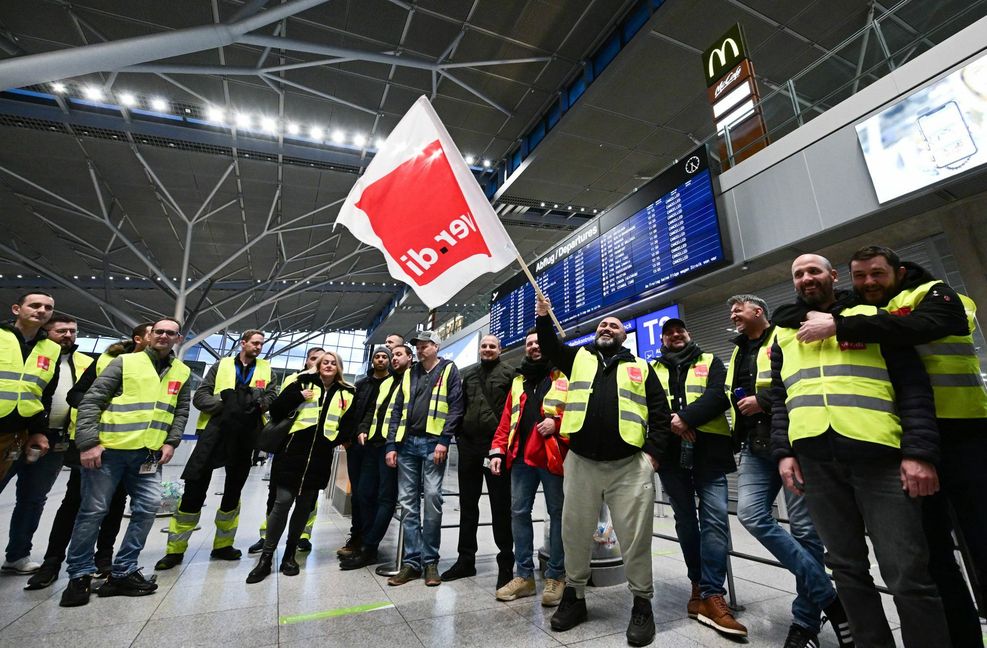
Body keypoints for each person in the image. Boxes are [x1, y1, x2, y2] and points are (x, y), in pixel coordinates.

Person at [796, 245, 987, 647]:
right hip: (912, 439)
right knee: (932, 559)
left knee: (981, 543)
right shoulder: (867, 312)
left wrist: (840, 326)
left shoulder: (932, 293)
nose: (868, 283)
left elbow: (933, 324)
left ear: (898, 271)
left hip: (964, 435)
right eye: (860, 277)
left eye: (877, 274)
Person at [770, 253, 949, 648]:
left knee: (907, 573)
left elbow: (912, 386)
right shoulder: (783, 331)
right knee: (847, 569)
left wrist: (919, 452)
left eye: (814, 270)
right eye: (799, 274)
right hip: (816, 462)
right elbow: (781, 397)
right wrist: (783, 452)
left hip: (880, 457)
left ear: (833, 276)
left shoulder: (871, 317)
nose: (806, 278)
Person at [535, 296, 669, 647]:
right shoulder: (578, 358)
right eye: (601, 325)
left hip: (629, 466)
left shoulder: (642, 367)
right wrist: (543, 316)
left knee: (636, 538)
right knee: (574, 534)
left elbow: (660, 413)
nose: (606, 327)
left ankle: (642, 603)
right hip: (581, 461)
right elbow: (549, 344)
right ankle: (574, 597)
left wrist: (652, 456)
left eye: (614, 325)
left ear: (625, 335)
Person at [726, 296, 851, 648]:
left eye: (739, 309)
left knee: (806, 533)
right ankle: (830, 597)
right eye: (731, 312)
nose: (733, 315)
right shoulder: (737, 351)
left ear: (759, 311)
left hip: (793, 442)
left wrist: (762, 402)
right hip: (755, 446)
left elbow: (796, 381)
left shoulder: (785, 334)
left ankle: (805, 623)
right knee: (750, 514)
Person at [61, 317, 191, 607]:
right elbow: (92, 401)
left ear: (178, 339)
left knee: (147, 509)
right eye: (159, 332)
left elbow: (180, 410)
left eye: (171, 333)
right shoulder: (124, 363)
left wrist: (171, 441)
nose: (164, 337)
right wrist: (88, 443)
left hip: (148, 455)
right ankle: (79, 574)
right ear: (148, 336)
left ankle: (123, 570)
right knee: (93, 511)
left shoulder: (182, 372)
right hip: (110, 451)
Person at [26, 323, 152, 590]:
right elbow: (77, 395)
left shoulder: (160, 369)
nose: (161, 337)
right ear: (139, 338)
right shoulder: (108, 360)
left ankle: (103, 560)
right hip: (94, 443)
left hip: (131, 447)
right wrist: (106, 407)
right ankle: (53, 563)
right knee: (77, 503)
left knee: (116, 504)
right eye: (154, 332)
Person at [652, 317, 746, 639]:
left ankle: (711, 594)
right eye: (669, 333)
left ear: (688, 335)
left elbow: (720, 395)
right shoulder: (654, 369)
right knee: (686, 522)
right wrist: (676, 424)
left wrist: (686, 418)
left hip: (710, 453)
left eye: (680, 330)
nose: (675, 335)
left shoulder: (711, 361)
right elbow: (652, 407)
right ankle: (698, 586)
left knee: (716, 519)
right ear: (662, 340)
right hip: (670, 458)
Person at [155, 330, 276, 570]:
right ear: (243, 343)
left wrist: (256, 406)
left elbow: (272, 395)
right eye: (255, 343)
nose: (259, 347)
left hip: (246, 435)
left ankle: (223, 545)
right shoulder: (221, 366)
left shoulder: (265, 368)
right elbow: (200, 397)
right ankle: (175, 550)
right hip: (214, 432)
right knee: (194, 489)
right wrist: (227, 407)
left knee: (233, 492)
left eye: (262, 344)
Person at [246, 350, 356, 583]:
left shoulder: (347, 393)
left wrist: (333, 440)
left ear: (338, 368)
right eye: (324, 362)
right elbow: (275, 410)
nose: (328, 365)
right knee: (282, 503)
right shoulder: (301, 382)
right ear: (317, 365)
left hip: (320, 457)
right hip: (292, 453)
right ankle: (266, 557)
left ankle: (289, 554)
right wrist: (298, 396)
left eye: (333, 363)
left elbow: (349, 423)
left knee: (304, 508)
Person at [0, 314, 86, 576]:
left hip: (57, 438)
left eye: (72, 331)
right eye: (61, 331)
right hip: (17, 433)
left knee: (33, 499)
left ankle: (17, 555)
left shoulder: (84, 362)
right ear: (45, 332)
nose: (68, 335)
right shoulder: (28, 356)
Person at [489, 328, 567, 606]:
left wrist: (557, 424)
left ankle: (557, 576)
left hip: (552, 456)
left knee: (558, 514)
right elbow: (506, 419)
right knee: (519, 512)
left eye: (538, 342)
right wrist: (497, 451)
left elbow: (580, 410)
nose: (534, 346)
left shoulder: (562, 375)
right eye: (529, 343)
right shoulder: (518, 380)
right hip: (521, 458)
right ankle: (524, 576)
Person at [384, 330, 464, 587]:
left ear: (436, 346)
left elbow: (455, 407)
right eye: (418, 345)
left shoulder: (449, 370)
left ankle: (430, 561)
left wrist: (444, 440)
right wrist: (391, 444)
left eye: (425, 345)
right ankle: (411, 562)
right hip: (407, 444)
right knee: (407, 504)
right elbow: (397, 410)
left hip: (433, 444)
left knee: (432, 499)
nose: (420, 349)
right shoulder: (410, 373)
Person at [443, 334, 515, 587]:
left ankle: (506, 564)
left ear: (500, 349)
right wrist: (460, 436)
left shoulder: (510, 374)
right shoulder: (470, 375)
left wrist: (502, 446)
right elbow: (460, 406)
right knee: (467, 506)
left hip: (495, 448)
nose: (487, 349)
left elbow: (512, 411)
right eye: (484, 346)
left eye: (492, 346)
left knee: (500, 507)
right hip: (469, 447)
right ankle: (466, 560)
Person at [340, 343, 413, 570]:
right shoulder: (387, 383)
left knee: (385, 498)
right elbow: (374, 409)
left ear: (410, 358)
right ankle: (363, 539)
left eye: (396, 354)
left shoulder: (413, 379)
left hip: (394, 445)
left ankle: (369, 547)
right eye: (391, 355)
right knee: (362, 493)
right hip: (373, 442)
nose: (391, 358)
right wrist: (362, 428)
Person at [249, 346, 324, 554]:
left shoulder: (329, 384)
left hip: (314, 448)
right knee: (277, 494)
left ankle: (303, 535)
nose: (318, 363)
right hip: (288, 443)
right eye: (314, 359)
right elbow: (278, 409)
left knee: (309, 497)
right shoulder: (295, 379)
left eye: (323, 359)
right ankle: (267, 536)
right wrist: (299, 395)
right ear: (307, 361)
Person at [336, 346, 392, 562]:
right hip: (356, 446)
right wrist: (346, 439)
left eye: (383, 357)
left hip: (376, 445)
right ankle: (356, 537)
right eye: (377, 356)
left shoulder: (393, 384)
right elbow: (351, 413)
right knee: (358, 494)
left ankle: (368, 539)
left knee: (370, 494)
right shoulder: (360, 385)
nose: (380, 360)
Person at [0, 292, 58, 490]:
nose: (41, 310)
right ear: (17, 309)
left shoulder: (52, 349)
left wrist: (38, 431)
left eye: (48, 308)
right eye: (34, 305)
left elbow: (44, 394)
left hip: (15, 433)